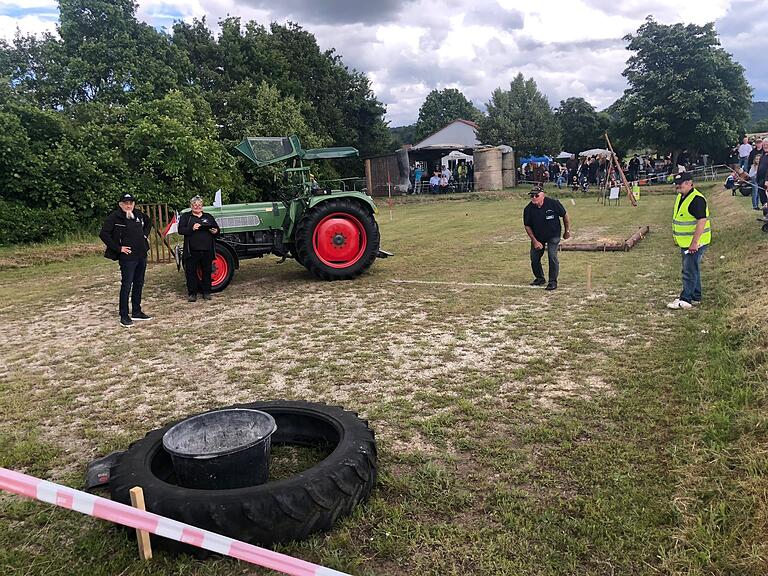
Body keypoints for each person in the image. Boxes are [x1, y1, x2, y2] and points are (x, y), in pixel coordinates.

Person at [99, 193, 153, 327]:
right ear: (120, 204)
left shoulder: (139, 214)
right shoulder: (114, 217)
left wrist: (145, 235)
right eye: (126, 203)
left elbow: (149, 222)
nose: (128, 205)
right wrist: (118, 248)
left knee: (139, 283)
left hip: (141, 254)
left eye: (131, 203)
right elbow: (104, 234)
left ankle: (137, 311)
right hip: (127, 257)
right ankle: (124, 315)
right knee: (127, 285)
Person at [667, 172, 711, 310]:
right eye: (676, 184)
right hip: (685, 242)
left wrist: (694, 243)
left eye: (681, 184)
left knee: (688, 271)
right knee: (693, 269)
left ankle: (686, 299)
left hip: (695, 243)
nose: (678, 187)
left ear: (689, 183)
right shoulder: (682, 197)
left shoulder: (696, 199)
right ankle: (695, 296)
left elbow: (701, 221)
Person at [523, 188, 571, 291]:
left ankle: (552, 281)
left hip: (553, 235)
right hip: (538, 236)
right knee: (534, 258)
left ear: (543, 195)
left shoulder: (553, 203)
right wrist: (535, 241)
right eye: (532, 196)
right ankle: (540, 278)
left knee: (552, 256)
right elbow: (527, 226)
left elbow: (565, 215)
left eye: (536, 195)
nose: (534, 198)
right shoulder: (528, 209)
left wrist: (567, 231)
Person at [178, 195, 220, 302]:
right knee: (191, 272)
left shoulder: (208, 216)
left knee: (207, 271)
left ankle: (207, 292)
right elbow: (181, 230)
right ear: (191, 206)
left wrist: (215, 231)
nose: (197, 207)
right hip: (192, 250)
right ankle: (192, 293)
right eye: (195, 205)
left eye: (199, 205)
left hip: (207, 249)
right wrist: (191, 228)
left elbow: (217, 229)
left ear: (202, 206)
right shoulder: (186, 217)